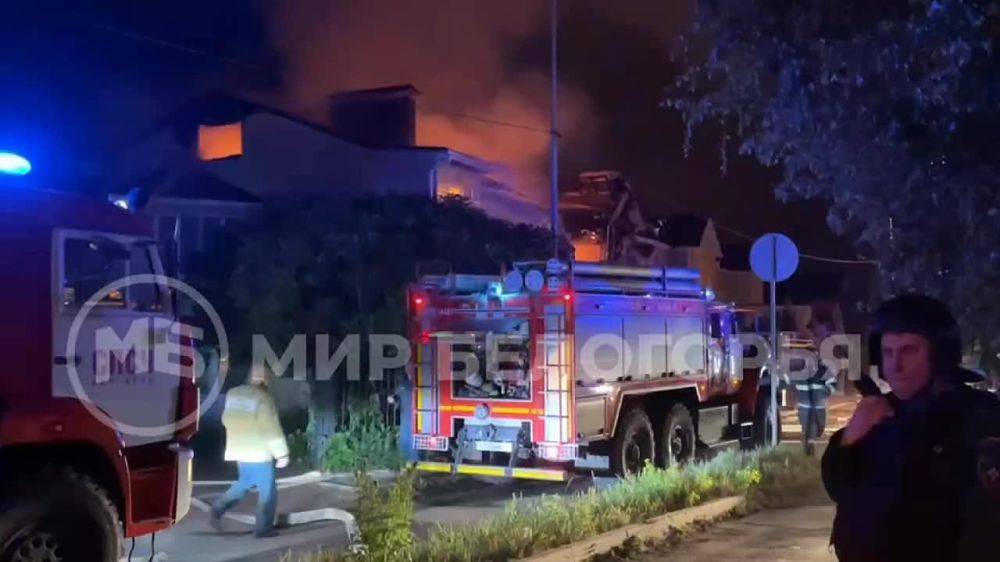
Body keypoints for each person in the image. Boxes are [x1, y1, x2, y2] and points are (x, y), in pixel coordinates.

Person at [822, 294, 1000, 561]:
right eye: (888, 352)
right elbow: (840, 487)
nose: (895, 365)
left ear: (939, 355)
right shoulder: (877, 414)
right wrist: (849, 439)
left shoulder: (979, 418)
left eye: (908, 350)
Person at [211, 364, 289, 538]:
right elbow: (270, 428)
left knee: (244, 483)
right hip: (259, 454)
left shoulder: (233, 394)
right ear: (265, 380)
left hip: (239, 451)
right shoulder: (263, 398)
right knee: (268, 491)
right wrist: (281, 453)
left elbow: (225, 419)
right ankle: (262, 529)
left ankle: (218, 507)